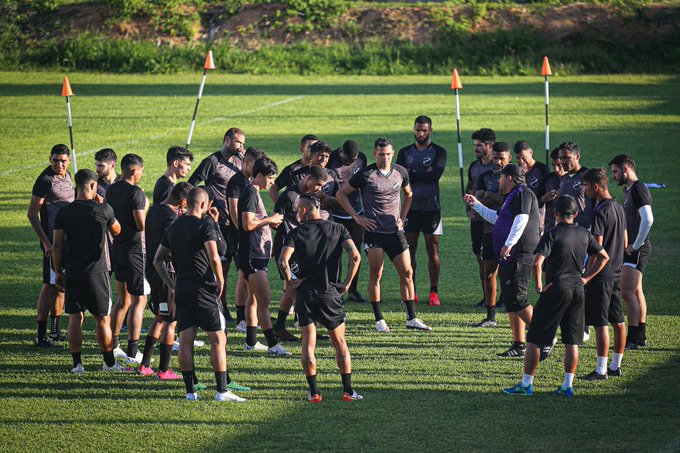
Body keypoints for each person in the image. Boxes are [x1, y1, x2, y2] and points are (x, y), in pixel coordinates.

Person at [503, 195, 609, 398]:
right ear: (576, 214)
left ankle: (526, 385)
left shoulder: (552, 234)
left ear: (555, 213)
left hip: (556, 289)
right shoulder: (584, 234)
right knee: (572, 340)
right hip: (578, 289)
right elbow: (604, 257)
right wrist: (587, 277)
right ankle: (567, 386)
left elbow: (537, 263)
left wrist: (540, 286)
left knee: (534, 338)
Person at [154, 187, 246, 402]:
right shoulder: (204, 225)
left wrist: (172, 284)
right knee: (218, 339)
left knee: (186, 339)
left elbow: (158, 260)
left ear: (186, 202)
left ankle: (190, 391)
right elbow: (215, 256)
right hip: (203, 288)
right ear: (204, 205)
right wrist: (221, 280)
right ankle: (222, 391)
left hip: (182, 289)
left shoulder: (174, 226)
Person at [336, 137, 431, 333]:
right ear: (375, 154)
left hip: (395, 233)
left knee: (407, 272)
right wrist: (357, 217)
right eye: (381, 154)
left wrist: (402, 217)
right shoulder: (366, 174)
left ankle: (411, 318)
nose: (385, 157)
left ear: (393, 153)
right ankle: (379, 319)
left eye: (388, 154)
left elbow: (409, 194)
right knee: (376, 274)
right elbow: (341, 194)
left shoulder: (400, 172)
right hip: (374, 233)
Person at [279, 194, 363, 403]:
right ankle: (348, 391)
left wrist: (290, 282)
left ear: (305, 210)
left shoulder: (296, 233)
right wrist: (346, 283)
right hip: (330, 293)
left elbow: (283, 261)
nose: (297, 212)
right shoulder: (338, 229)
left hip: (305, 295)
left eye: (298, 209)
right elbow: (355, 256)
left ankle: (315, 392)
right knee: (340, 343)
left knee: (308, 345)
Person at [51, 169, 131, 373]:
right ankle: (109, 363)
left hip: (73, 270)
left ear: (76, 186)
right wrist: (103, 204)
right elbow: (118, 230)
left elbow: (57, 245)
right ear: (94, 186)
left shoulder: (64, 213)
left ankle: (77, 365)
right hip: (98, 271)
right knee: (102, 318)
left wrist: (58, 270)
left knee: (75, 317)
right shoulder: (103, 210)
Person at [465, 164, 541, 357]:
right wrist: (477, 205)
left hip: (519, 253)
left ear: (510, 178)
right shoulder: (512, 197)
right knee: (511, 300)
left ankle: (543, 336)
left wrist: (508, 243)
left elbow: (522, 220)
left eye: (500, 177)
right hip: (510, 254)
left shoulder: (522, 193)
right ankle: (519, 345)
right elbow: (496, 218)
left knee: (517, 298)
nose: (497, 181)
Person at [188, 128, 246, 320]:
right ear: (227, 140)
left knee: (239, 266)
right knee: (221, 266)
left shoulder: (240, 161)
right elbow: (191, 185)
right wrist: (206, 206)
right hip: (217, 222)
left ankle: (241, 311)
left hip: (236, 221)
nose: (241, 147)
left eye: (243, 143)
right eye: (238, 142)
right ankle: (219, 305)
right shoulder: (212, 162)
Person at [273, 166, 334, 342]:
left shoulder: (313, 197)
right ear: (308, 178)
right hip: (289, 249)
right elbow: (276, 221)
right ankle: (280, 327)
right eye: (317, 184)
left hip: (303, 249)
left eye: (322, 186)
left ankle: (307, 326)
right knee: (294, 289)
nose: (319, 189)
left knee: (304, 288)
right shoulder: (290, 196)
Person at [237, 157, 291, 355]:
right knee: (264, 300)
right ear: (259, 175)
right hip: (252, 255)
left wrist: (268, 222)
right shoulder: (250, 193)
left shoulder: (254, 192)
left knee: (253, 299)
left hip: (255, 254)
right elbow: (247, 224)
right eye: (270, 178)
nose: (271, 182)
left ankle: (251, 342)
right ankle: (272, 344)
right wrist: (270, 219)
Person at [138, 182, 192, 379]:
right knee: (171, 320)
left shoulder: (154, 210)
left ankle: (145, 365)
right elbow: (170, 248)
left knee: (161, 317)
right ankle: (163, 370)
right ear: (183, 201)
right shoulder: (171, 217)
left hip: (152, 270)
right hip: (166, 273)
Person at [580, 168, 627, 379]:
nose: (585, 190)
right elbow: (624, 242)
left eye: (587, 186)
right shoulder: (618, 207)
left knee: (600, 325)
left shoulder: (600, 211)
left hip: (601, 276)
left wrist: (587, 276)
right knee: (618, 322)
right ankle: (616, 366)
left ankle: (600, 370)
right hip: (617, 272)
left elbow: (597, 251)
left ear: (596, 186)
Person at [396, 116, 447, 306]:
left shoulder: (439, 152)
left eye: (424, 130)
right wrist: (423, 172)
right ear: (414, 130)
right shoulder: (404, 152)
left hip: (432, 208)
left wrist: (413, 173)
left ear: (430, 131)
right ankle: (413, 290)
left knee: (432, 249)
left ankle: (434, 292)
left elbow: (435, 175)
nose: (421, 133)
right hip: (410, 209)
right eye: (418, 130)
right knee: (409, 250)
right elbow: (400, 176)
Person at [27, 144, 75, 347]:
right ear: (50, 159)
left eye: (63, 160)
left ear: (69, 161)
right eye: (55, 160)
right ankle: (40, 335)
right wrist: (46, 242)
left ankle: (55, 333)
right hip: (52, 245)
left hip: (66, 242)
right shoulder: (45, 181)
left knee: (60, 287)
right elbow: (32, 214)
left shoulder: (67, 175)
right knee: (48, 286)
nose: (59, 164)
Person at [105, 153, 148, 363]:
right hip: (135, 251)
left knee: (123, 300)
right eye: (141, 171)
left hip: (117, 250)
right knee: (139, 301)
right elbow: (141, 224)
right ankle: (133, 351)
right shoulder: (136, 193)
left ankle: (113, 346)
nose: (141, 175)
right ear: (133, 170)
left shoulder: (111, 189)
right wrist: (146, 206)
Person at [609, 154, 654, 349]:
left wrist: (635, 245)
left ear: (626, 169)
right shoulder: (630, 190)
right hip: (634, 249)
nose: (614, 176)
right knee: (636, 292)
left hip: (636, 250)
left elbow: (648, 219)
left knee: (627, 293)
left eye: (616, 172)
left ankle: (633, 338)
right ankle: (640, 336)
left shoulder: (638, 189)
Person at [226, 146, 265, 333]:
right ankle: (242, 319)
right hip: (240, 236)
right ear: (247, 162)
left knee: (246, 277)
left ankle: (249, 315)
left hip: (249, 235)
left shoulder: (249, 182)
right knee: (243, 276)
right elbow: (234, 211)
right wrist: (244, 232)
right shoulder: (236, 182)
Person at [474, 141, 512, 326]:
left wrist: (491, 195)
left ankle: (513, 307)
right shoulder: (485, 176)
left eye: (501, 159)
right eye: (495, 158)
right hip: (489, 230)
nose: (497, 162)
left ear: (509, 158)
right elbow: (479, 201)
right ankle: (491, 316)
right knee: (490, 273)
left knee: (510, 273)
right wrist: (493, 197)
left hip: (510, 233)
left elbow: (510, 202)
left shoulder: (515, 177)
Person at [328, 140, 368, 303]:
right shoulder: (331, 159)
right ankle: (336, 292)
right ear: (340, 151)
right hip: (336, 214)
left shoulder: (362, 159)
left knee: (355, 253)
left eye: (353, 159)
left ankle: (353, 289)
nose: (349, 162)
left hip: (356, 212)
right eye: (346, 159)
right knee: (334, 254)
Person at [466, 128, 496, 308]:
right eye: (475, 145)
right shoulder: (474, 166)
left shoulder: (498, 165)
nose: (476, 148)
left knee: (494, 259)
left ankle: (498, 298)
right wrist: (469, 209)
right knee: (480, 257)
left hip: (493, 219)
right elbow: (469, 189)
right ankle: (486, 296)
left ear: (490, 146)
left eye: (480, 145)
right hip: (477, 219)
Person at [268, 134, 318, 202]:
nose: (313, 149)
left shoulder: (321, 169)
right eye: (309, 146)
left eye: (315, 147)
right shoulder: (292, 169)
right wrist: (282, 208)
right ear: (302, 149)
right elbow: (273, 190)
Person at [513, 141, 549, 235]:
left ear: (531, 152)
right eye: (517, 158)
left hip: (538, 215)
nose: (521, 161)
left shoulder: (542, 169)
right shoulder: (516, 171)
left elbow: (545, 192)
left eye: (523, 157)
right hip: (520, 214)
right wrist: (521, 177)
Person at [558, 141, 592, 229]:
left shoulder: (588, 175)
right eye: (561, 158)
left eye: (566, 158)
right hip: (566, 230)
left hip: (585, 229)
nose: (563, 162)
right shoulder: (563, 179)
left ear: (577, 156)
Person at [540, 148, 567, 233]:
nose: (556, 169)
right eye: (553, 165)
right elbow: (535, 202)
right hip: (550, 228)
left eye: (559, 165)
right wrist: (543, 199)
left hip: (569, 228)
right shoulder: (548, 178)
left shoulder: (574, 179)